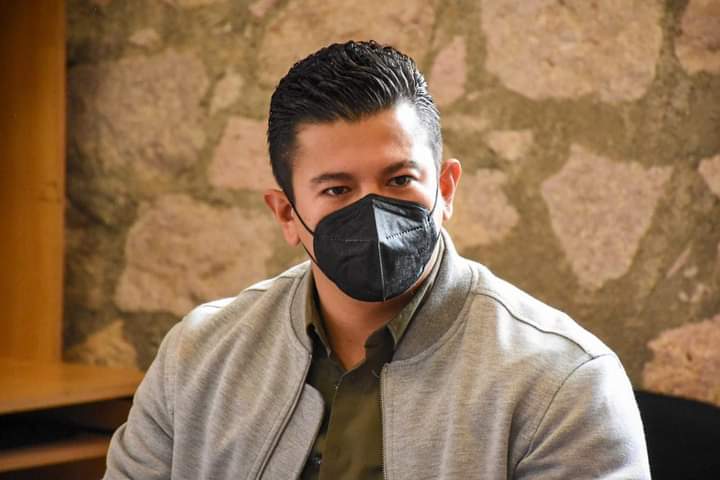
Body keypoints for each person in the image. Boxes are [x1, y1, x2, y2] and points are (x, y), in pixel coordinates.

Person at [103, 40, 650, 479]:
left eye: (399, 179)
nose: (373, 212)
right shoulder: (196, 358)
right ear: (287, 214)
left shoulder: (562, 382)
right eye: (337, 190)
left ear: (445, 188)